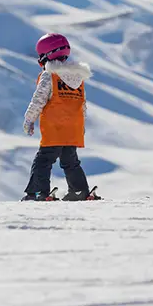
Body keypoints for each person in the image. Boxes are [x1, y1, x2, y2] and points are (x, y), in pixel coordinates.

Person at [22, 33, 100, 201]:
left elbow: (38, 100)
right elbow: (82, 105)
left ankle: (38, 193)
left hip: (55, 128)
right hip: (73, 129)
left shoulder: (49, 75)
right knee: (70, 161)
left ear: (46, 56)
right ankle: (79, 191)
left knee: (43, 160)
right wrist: (81, 128)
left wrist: (29, 119)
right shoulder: (78, 79)